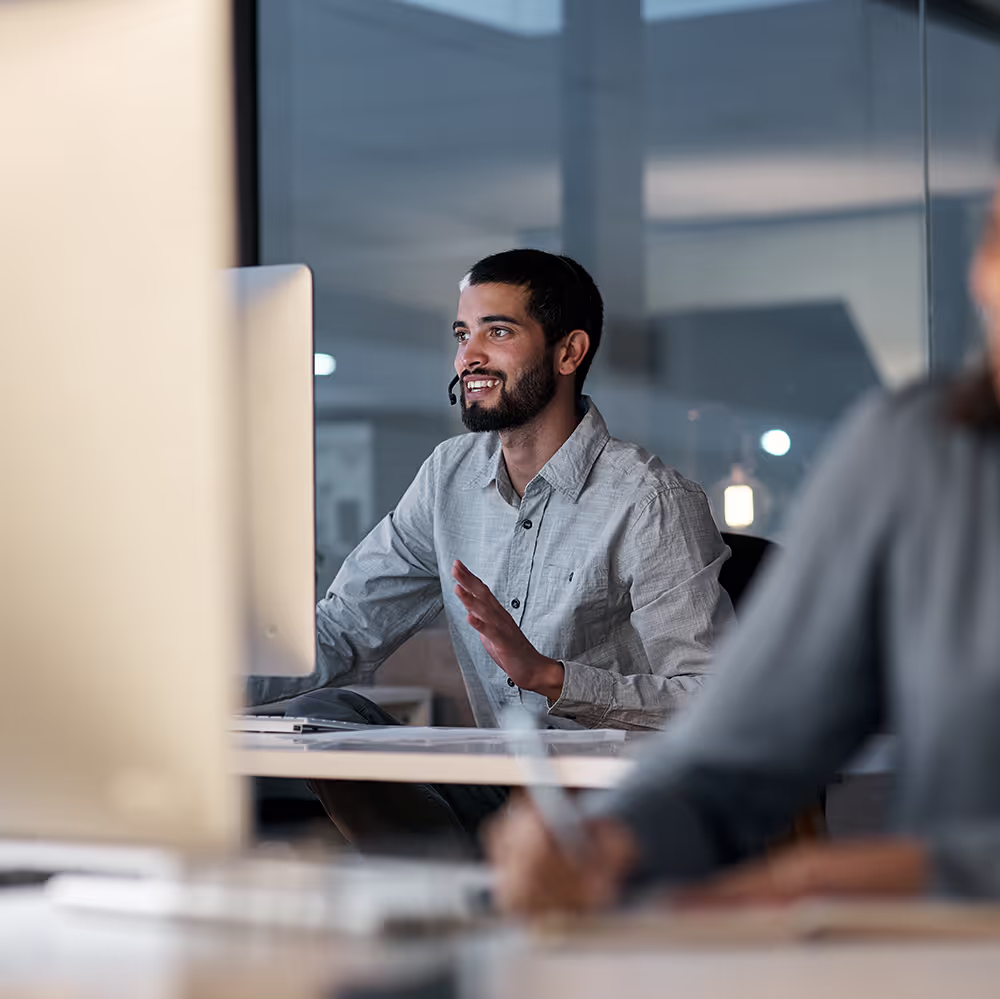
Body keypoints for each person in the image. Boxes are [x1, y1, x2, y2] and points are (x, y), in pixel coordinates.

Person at [488, 192, 1000, 912]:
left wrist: (847, 879)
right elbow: (740, 748)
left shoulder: (647, 496)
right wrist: (611, 843)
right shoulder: (913, 452)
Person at [248, 249, 733, 852]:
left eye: (497, 331)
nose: (468, 356)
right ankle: (459, 890)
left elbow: (714, 700)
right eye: (462, 333)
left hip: (613, 807)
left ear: (568, 352)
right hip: (498, 786)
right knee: (329, 713)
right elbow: (346, 628)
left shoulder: (649, 500)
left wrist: (554, 679)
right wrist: (197, 687)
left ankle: (467, 892)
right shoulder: (447, 476)